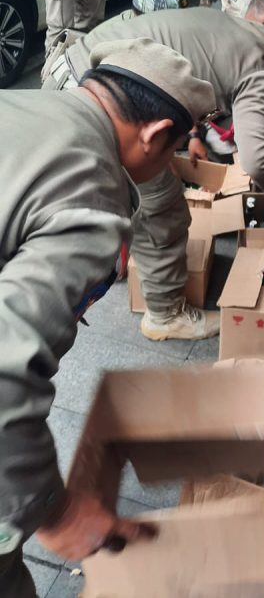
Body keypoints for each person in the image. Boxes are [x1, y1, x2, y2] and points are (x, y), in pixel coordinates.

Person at [0, 38, 215, 598]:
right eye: (170, 151)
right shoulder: (92, 192)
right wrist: (55, 511)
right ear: (152, 132)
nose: (163, 167)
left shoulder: (24, 106)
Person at [43, 0, 264, 341]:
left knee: (142, 178)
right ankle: (165, 316)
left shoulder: (230, 27)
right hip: (95, 100)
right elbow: (260, 160)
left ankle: (113, 253)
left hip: (70, 71)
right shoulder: (261, 63)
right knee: (164, 208)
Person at [41, 0, 187, 82]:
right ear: (156, 19)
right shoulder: (135, 41)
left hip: (65, 75)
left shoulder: (128, 20)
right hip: (69, 84)